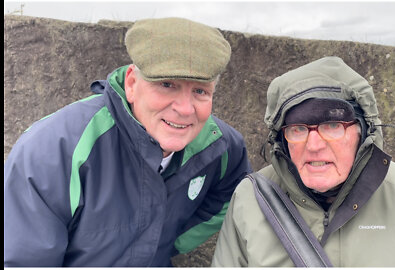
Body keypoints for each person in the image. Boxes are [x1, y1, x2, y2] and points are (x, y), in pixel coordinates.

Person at [4, 17, 252, 267]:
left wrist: (164, 240)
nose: (185, 109)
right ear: (132, 83)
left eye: (200, 91)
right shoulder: (53, 150)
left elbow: (233, 195)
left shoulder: (221, 145)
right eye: (167, 85)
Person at [211, 56, 395, 267]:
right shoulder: (250, 199)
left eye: (333, 126)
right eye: (298, 130)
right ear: (281, 139)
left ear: (363, 132)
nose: (313, 146)